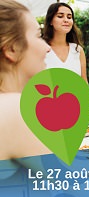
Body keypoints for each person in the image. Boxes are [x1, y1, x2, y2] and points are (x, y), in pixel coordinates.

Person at [0, 0, 51, 163]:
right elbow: (74, 183)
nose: (47, 47)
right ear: (12, 49)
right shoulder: (15, 110)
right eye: (38, 36)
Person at [43, 2, 88, 82]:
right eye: (60, 16)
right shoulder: (40, 49)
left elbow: (84, 82)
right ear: (50, 21)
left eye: (69, 17)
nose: (66, 20)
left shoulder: (78, 50)